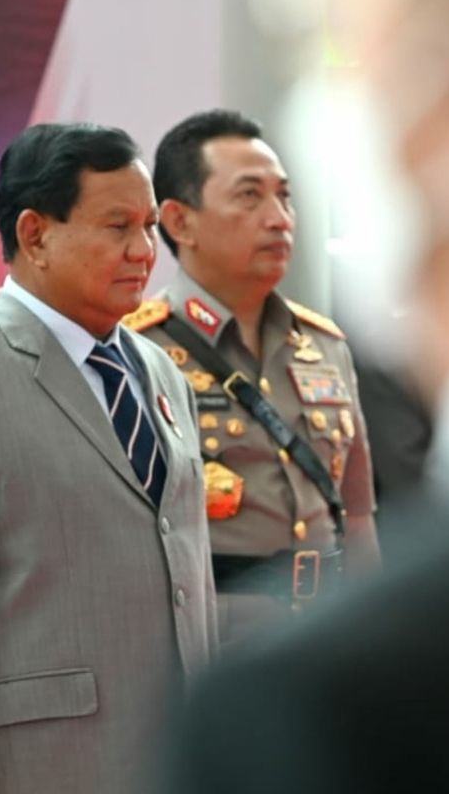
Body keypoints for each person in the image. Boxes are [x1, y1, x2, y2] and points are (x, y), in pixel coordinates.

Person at [161, 0, 449, 790]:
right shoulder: (155, 350)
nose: (272, 218)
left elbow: (371, 503)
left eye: (351, 55)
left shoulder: (327, 350)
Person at [0, 123, 216, 794]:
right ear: (34, 234)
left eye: (150, 226)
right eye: (117, 226)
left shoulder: (163, 372)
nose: (144, 250)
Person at [126, 110, 379, 643]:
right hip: (213, 644)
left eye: (284, 196)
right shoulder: (136, 351)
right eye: (249, 196)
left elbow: (356, 517)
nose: (279, 218)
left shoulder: (325, 346)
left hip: (329, 634)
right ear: (178, 221)